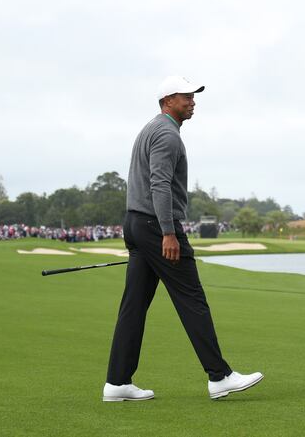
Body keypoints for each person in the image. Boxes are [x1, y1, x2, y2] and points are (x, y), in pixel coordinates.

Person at [103, 76, 263, 402]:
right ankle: (219, 376)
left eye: (193, 96)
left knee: (133, 306)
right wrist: (168, 233)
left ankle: (118, 382)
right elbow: (159, 185)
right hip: (155, 225)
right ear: (167, 101)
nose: (192, 101)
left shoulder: (151, 128)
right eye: (185, 96)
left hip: (135, 222)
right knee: (192, 299)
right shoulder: (166, 135)